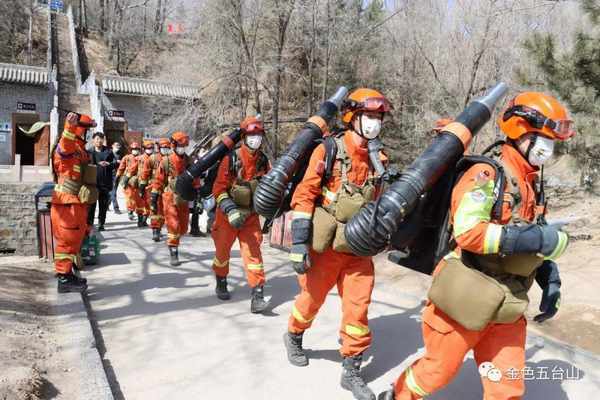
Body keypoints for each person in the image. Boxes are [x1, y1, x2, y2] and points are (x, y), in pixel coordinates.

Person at [378, 92, 574, 400]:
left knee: (508, 386)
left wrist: (550, 278)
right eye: (543, 138)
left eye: (552, 141)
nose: (547, 148)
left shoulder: (531, 183)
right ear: (519, 130)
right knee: (436, 372)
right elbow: (469, 233)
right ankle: (396, 395)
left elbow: (529, 234)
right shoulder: (486, 175)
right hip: (466, 296)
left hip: (508, 303)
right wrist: (538, 239)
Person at [283, 88, 391, 400]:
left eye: (378, 117)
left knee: (358, 309)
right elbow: (305, 195)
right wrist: (299, 243)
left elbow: (380, 203)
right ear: (352, 117)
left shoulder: (380, 159)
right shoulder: (328, 150)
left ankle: (352, 368)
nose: (374, 122)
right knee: (311, 299)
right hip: (327, 247)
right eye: (368, 116)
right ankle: (294, 334)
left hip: (358, 249)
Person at [211, 116, 271, 314]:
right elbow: (219, 189)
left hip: (250, 217)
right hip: (227, 216)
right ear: (244, 136)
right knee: (222, 253)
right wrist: (230, 210)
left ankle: (258, 295)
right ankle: (221, 280)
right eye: (252, 135)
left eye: (259, 135)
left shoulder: (263, 160)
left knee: (253, 254)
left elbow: (270, 186)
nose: (256, 138)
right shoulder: (231, 158)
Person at [51, 112, 97, 293]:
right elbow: (65, 146)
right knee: (67, 241)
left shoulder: (80, 150)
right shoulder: (69, 145)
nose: (88, 134)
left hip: (76, 202)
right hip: (67, 204)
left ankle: (68, 274)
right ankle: (64, 279)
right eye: (86, 130)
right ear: (79, 129)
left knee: (74, 239)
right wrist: (69, 127)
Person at [152, 131, 200, 266]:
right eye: (180, 146)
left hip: (184, 198)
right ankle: (174, 251)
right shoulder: (166, 161)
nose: (182, 148)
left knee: (183, 228)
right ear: (173, 145)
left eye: (184, 146)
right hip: (169, 197)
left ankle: (175, 240)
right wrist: (154, 197)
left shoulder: (189, 161)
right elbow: (158, 180)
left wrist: (197, 196)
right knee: (174, 225)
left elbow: (195, 179)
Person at [141, 137, 171, 242]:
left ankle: (159, 228)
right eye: (163, 147)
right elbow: (145, 173)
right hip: (153, 188)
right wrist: (142, 187)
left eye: (167, 148)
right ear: (159, 148)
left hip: (167, 189)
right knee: (155, 209)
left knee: (163, 211)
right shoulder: (152, 158)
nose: (165, 149)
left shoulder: (171, 159)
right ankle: (155, 230)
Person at [87, 132, 115, 231]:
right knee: (91, 206)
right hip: (93, 183)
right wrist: (97, 165)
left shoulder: (109, 151)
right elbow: (86, 165)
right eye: (97, 139)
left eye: (101, 139)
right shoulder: (89, 152)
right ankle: (90, 224)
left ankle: (101, 224)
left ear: (103, 140)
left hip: (105, 183)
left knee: (103, 206)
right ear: (93, 140)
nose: (99, 141)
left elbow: (114, 164)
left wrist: (108, 164)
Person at [116, 142, 141, 221]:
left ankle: (139, 212)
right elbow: (121, 168)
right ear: (131, 149)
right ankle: (130, 211)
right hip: (128, 181)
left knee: (138, 197)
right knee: (129, 197)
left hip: (139, 180)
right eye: (133, 149)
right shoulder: (126, 158)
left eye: (136, 149)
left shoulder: (141, 158)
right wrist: (118, 176)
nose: (135, 150)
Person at [136, 140, 155, 228]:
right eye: (148, 148)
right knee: (140, 203)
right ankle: (140, 221)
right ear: (144, 149)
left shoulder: (155, 158)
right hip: (140, 183)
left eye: (151, 148)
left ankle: (144, 220)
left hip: (150, 184)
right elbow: (133, 169)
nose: (150, 149)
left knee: (149, 203)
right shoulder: (139, 158)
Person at [110, 141, 123, 214]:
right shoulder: (109, 153)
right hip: (110, 175)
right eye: (116, 145)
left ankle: (107, 204)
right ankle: (116, 208)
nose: (118, 147)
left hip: (117, 175)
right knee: (113, 192)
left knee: (113, 191)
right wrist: (116, 161)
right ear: (112, 146)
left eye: (119, 145)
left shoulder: (119, 154)